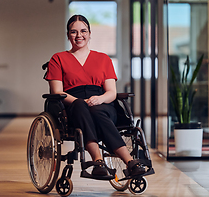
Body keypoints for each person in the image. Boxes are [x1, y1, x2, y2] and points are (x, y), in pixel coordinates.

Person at [45, 14, 145, 177]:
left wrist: (100, 99)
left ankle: (130, 162)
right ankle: (98, 160)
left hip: (103, 103)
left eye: (83, 31)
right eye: (73, 32)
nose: (79, 35)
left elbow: (112, 92)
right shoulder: (58, 58)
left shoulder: (103, 59)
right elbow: (57, 92)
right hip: (72, 105)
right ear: (68, 34)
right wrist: (80, 101)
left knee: (97, 110)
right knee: (81, 106)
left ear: (90, 34)